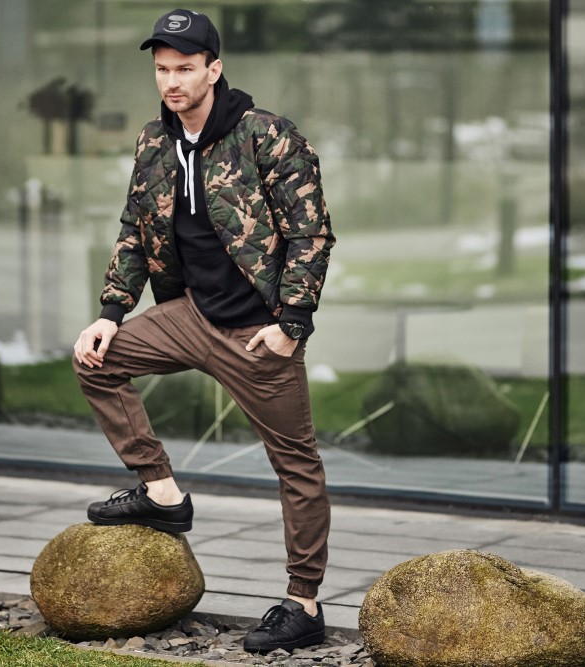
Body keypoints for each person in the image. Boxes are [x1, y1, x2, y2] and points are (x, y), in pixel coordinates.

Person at [71, 8, 335, 654]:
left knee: (296, 464)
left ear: (214, 69)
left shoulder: (265, 136)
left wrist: (291, 324)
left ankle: (304, 604)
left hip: (257, 332)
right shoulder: (153, 143)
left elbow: (311, 234)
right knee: (95, 359)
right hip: (190, 316)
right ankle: (162, 492)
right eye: (162, 69)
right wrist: (110, 313)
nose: (172, 81)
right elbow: (134, 231)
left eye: (185, 68)